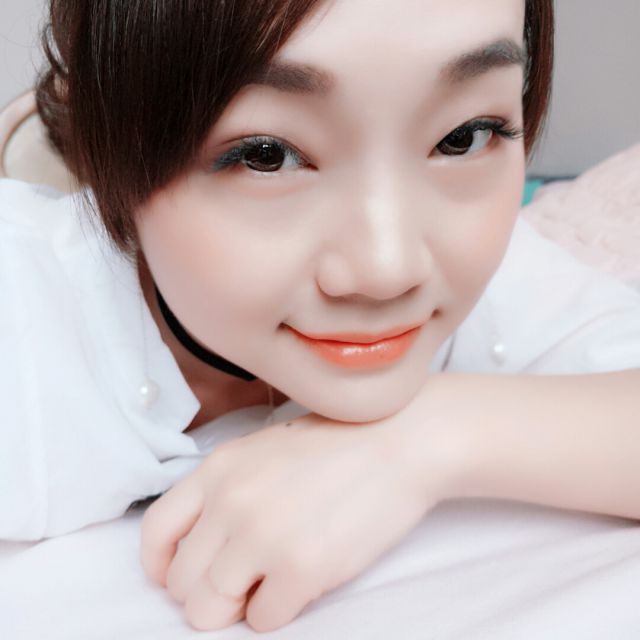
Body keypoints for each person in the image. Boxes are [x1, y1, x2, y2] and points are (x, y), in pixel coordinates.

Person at [1, 0, 638, 634]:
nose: (387, 269)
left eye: (463, 136)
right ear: (113, 151)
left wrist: (426, 440)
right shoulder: (26, 315)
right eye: (266, 155)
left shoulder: (502, 279)